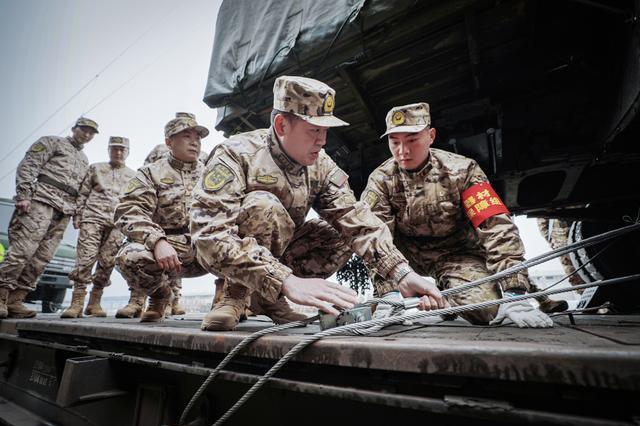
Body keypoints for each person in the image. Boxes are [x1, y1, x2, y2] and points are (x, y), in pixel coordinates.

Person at [190, 76, 446, 332]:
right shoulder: (237, 153)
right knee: (263, 206)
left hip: (281, 256)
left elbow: (354, 219)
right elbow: (209, 234)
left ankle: (268, 300)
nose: (323, 140)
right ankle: (234, 295)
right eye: (314, 130)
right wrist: (286, 280)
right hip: (229, 255)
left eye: (325, 131)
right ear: (281, 125)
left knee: (342, 231)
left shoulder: (321, 164)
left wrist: (401, 272)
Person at [361, 102, 553, 328]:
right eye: (395, 142)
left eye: (412, 140)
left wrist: (514, 291)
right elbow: (371, 235)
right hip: (403, 261)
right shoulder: (381, 179)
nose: (403, 151)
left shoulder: (463, 170)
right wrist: (388, 293)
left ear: (431, 135)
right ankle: (399, 299)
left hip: (455, 254)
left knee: (488, 311)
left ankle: (446, 299)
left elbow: (496, 225)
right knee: (366, 233)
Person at [114, 114, 210, 322]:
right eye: (187, 136)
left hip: (210, 246)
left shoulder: (212, 172)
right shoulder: (150, 173)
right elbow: (128, 210)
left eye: (198, 138)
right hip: (171, 250)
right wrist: (157, 240)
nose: (195, 142)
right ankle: (160, 296)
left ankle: (230, 300)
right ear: (168, 142)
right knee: (129, 256)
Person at [0, 117, 98, 318]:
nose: (86, 134)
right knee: (22, 251)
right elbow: (29, 166)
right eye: (83, 130)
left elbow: (81, 190)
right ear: (74, 129)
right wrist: (24, 196)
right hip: (40, 202)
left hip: (63, 211)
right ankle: (1, 296)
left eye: (90, 133)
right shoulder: (52, 142)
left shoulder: (84, 160)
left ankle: (16, 300)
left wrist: (76, 213)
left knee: (42, 258)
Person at [61, 136, 135, 318]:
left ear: (128, 152)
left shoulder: (132, 175)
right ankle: (76, 303)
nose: (118, 152)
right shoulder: (96, 168)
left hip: (117, 224)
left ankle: (94, 303)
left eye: (122, 149)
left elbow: (132, 201)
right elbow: (83, 193)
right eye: (114, 149)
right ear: (109, 150)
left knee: (108, 262)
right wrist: (78, 215)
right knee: (85, 259)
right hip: (92, 219)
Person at [537, 218, 585, 291]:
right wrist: (550, 239)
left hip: (580, 231)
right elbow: (542, 221)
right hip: (561, 238)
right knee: (572, 270)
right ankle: (583, 293)